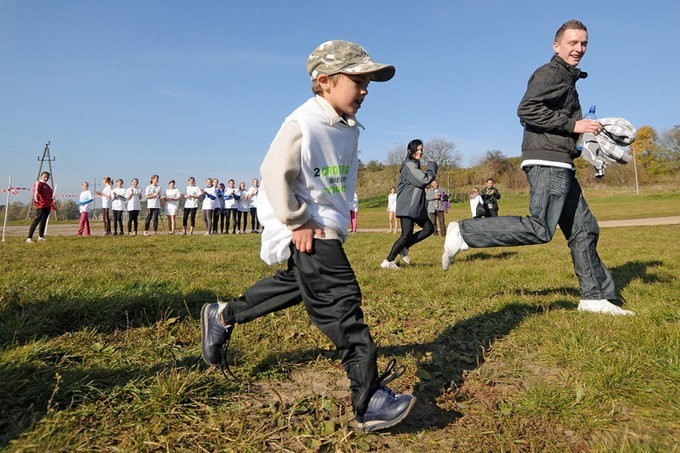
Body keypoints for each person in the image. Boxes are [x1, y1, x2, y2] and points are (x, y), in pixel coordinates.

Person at [200, 40, 415, 432]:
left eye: (369, 82)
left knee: (298, 285)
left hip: (324, 225)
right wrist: (297, 221)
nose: (365, 89)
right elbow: (271, 172)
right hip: (310, 229)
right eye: (358, 80)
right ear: (324, 81)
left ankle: (223, 314)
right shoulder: (303, 123)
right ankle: (369, 400)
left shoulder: (344, 124)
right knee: (343, 303)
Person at [442, 19, 634, 316]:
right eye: (572, 43)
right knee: (541, 228)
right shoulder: (552, 73)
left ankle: (594, 296)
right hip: (548, 161)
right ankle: (465, 233)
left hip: (561, 160)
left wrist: (581, 136)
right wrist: (573, 125)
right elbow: (527, 109)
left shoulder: (567, 78)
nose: (579, 49)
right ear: (557, 45)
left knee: (584, 228)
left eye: (583, 43)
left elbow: (542, 115)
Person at [381, 139, 437, 269]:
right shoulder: (409, 165)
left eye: (421, 150)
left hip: (416, 207)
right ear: (409, 151)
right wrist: (432, 166)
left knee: (429, 229)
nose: (420, 152)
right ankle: (388, 261)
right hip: (408, 206)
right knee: (406, 234)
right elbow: (424, 180)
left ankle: (404, 247)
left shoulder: (414, 165)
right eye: (417, 149)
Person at [26, 171, 54, 243]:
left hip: (47, 206)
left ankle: (40, 237)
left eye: (47, 177)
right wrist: (36, 202)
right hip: (40, 205)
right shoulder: (38, 183)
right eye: (44, 177)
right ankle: (29, 238)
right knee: (36, 221)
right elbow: (36, 193)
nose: (46, 178)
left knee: (43, 221)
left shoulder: (48, 186)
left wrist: (52, 205)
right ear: (41, 176)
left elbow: (51, 197)